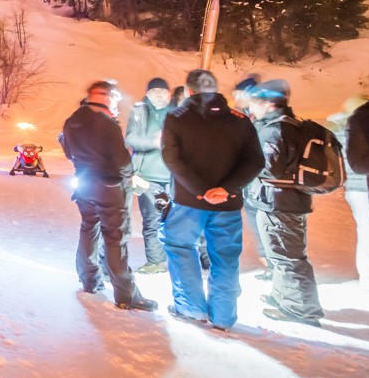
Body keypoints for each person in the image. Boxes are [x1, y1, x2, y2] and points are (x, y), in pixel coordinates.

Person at [161, 69, 264, 330]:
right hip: (227, 204)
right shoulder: (240, 120)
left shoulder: (177, 118)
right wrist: (226, 189)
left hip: (188, 202)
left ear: (191, 91)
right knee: (225, 257)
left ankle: (190, 307)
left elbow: (172, 159)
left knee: (181, 248)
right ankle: (224, 316)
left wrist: (200, 190)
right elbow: (255, 161)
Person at [61, 80, 157, 311]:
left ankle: (89, 280)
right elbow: (122, 160)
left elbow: (67, 150)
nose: (115, 103)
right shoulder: (107, 124)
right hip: (110, 188)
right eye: (113, 98)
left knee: (88, 229)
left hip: (84, 185)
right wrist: (130, 176)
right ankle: (126, 295)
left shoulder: (73, 120)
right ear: (104, 96)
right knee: (115, 239)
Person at [244, 79, 325, 326]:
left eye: (254, 104)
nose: (251, 110)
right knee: (283, 253)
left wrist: (246, 162)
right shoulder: (293, 125)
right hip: (289, 200)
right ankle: (282, 296)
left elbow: (270, 167)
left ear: (268, 104)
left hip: (279, 203)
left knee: (287, 256)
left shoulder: (274, 129)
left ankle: (302, 309)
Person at [126, 78, 174, 274]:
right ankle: (156, 261)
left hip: (175, 175)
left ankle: (177, 260)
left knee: (174, 220)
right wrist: (153, 142)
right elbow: (130, 138)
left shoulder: (176, 112)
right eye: (155, 91)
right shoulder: (139, 111)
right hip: (147, 176)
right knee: (152, 220)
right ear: (148, 94)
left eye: (163, 91)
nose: (160, 95)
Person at [233, 75, 271, 276]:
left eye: (238, 94)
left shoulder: (263, 119)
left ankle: (273, 267)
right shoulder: (246, 117)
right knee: (257, 223)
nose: (236, 98)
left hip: (261, 183)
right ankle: (270, 265)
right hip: (250, 183)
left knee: (263, 223)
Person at [332, 96, 369, 291]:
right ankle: (368, 277)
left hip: (357, 187)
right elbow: (356, 163)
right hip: (359, 188)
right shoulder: (356, 123)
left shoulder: (346, 124)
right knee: (366, 230)